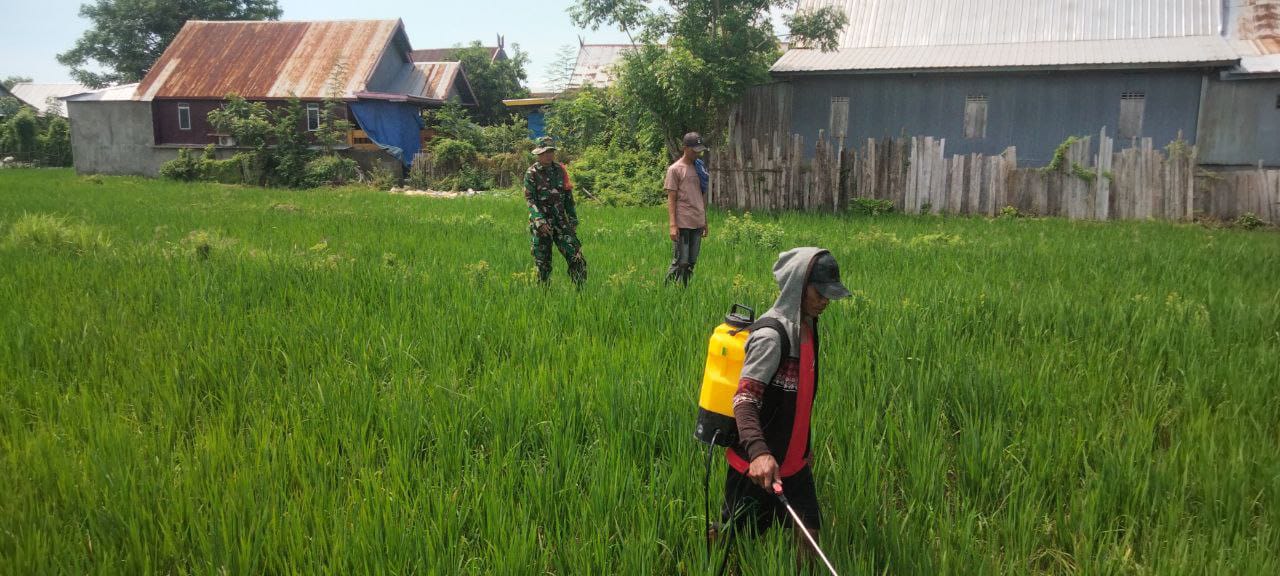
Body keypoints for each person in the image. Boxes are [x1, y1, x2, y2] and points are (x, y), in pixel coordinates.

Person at [721, 248, 851, 564]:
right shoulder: (771, 336)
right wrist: (759, 454)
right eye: (820, 292)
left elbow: (800, 398)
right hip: (757, 466)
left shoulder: (808, 325)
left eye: (830, 294)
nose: (826, 301)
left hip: (794, 464)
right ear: (798, 285)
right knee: (734, 542)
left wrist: (804, 447)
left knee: (809, 538)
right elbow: (744, 399)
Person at [524, 136, 586, 286]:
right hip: (542, 224)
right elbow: (530, 199)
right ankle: (544, 294)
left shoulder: (560, 170)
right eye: (545, 152)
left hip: (561, 222)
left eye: (551, 151)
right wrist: (539, 220)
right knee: (543, 265)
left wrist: (573, 219)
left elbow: (568, 196)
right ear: (539, 153)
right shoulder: (532, 173)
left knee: (577, 257)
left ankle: (581, 292)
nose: (548, 155)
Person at [664, 132, 710, 285]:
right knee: (680, 261)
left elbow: (701, 196)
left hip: (697, 221)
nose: (698, 153)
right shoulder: (675, 169)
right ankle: (666, 290)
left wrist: (705, 221)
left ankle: (683, 290)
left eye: (699, 150)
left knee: (691, 262)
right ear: (685, 148)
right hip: (683, 222)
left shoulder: (699, 168)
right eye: (694, 150)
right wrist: (672, 225)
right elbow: (671, 198)